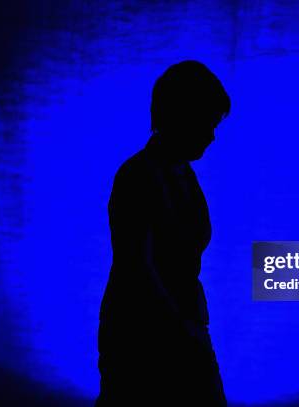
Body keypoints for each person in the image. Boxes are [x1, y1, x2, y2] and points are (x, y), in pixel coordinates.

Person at [95, 60, 231, 406]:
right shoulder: (137, 177)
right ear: (182, 115)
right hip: (141, 333)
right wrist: (185, 330)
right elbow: (138, 268)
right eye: (207, 122)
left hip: (182, 324)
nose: (212, 135)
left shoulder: (184, 175)